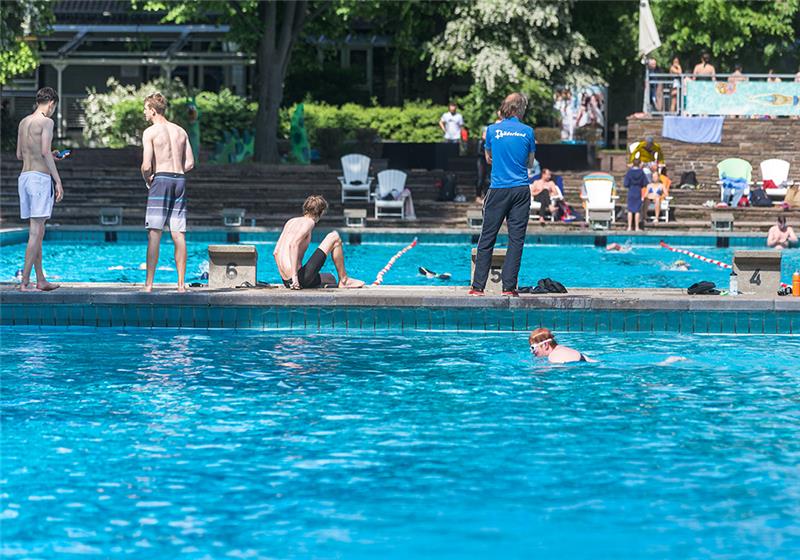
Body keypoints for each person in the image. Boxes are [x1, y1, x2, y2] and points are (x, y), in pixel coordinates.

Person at [470, 92, 536, 297]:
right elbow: (530, 163)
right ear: (520, 108)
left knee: (487, 237)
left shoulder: (492, 130)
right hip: (520, 190)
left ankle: (478, 287)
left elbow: (488, 158)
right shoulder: (528, 131)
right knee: (516, 240)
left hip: (498, 189)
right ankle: (509, 288)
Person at [141, 92, 195, 292]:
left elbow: (146, 165)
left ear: (153, 110)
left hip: (161, 179)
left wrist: (148, 178)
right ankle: (181, 285)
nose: (144, 113)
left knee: (155, 233)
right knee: (178, 234)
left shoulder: (151, 132)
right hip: (180, 179)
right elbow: (190, 163)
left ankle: (149, 285)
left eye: (146, 109)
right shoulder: (180, 131)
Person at [15, 87, 64, 291]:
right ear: (51, 103)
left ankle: (40, 279)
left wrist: (49, 155)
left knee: (38, 231)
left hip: (24, 178)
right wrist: (58, 180)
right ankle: (25, 280)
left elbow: (20, 154)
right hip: (39, 179)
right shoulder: (47, 121)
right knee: (36, 232)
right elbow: (44, 151)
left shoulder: (24, 122)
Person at [273, 195, 364, 289]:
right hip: (297, 278)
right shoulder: (309, 222)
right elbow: (293, 244)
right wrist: (295, 278)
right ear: (321, 212)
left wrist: (287, 279)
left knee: (330, 278)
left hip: (286, 280)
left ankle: (340, 280)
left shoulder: (290, 222)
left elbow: (275, 252)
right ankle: (344, 280)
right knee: (334, 237)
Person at [529, 328, 594, 364]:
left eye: (533, 347)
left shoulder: (554, 356)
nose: (532, 351)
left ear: (545, 345)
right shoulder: (562, 349)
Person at [624, 159, 648, 231]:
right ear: (639, 164)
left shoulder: (629, 172)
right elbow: (645, 183)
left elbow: (626, 184)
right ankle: (637, 227)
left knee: (630, 210)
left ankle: (629, 227)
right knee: (637, 210)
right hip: (638, 191)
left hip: (631, 190)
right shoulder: (641, 172)